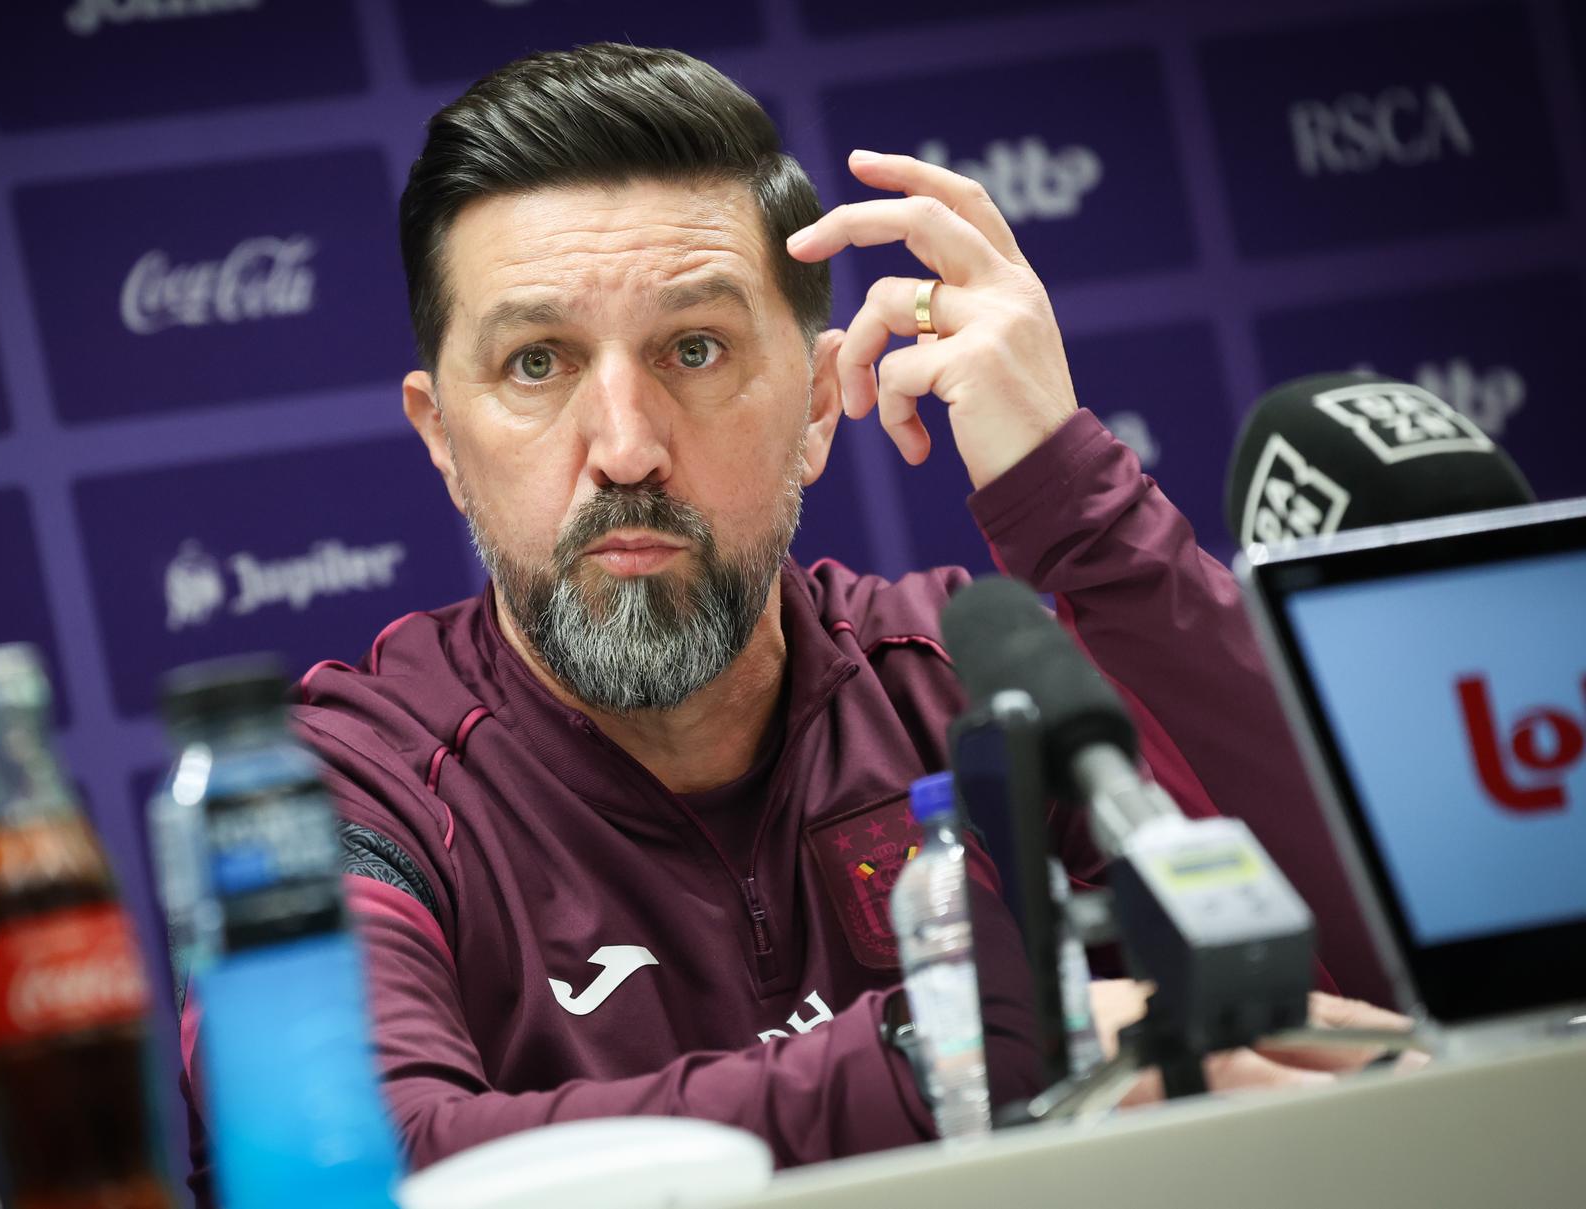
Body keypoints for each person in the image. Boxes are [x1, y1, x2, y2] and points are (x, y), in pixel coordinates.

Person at [175, 42, 1405, 1195]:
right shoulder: (340, 792)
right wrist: (958, 1059)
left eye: (696, 349)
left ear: (821, 403)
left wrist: (1073, 502)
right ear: (443, 436)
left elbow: (1401, 978)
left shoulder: (975, 682)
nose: (625, 447)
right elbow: (347, 1177)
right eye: (537, 364)